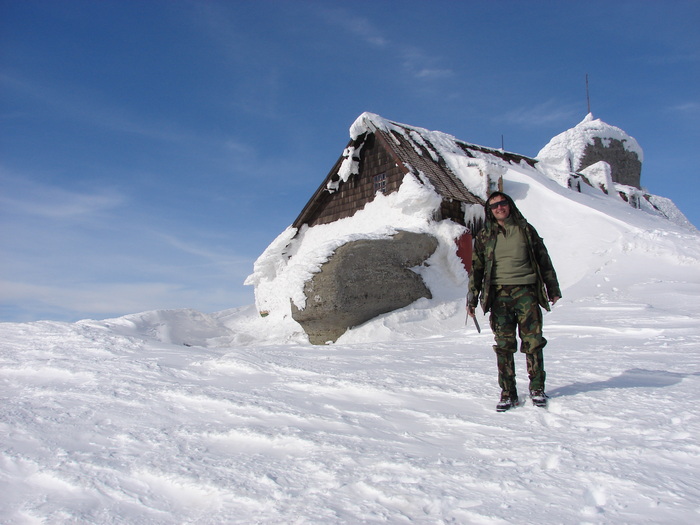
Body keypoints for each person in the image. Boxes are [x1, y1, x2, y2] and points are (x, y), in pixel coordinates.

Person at [467, 191, 561, 412]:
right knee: (504, 346)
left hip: (526, 292)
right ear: (489, 212)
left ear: (509, 205)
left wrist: (552, 287)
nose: (499, 208)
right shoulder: (484, 236)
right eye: (494, 206)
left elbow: (543, 258)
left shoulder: (526, 230)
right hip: (498, 295)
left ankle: (537, 388)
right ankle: (508, 393)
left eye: (502, 203)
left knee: (533, 342)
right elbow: (477, 269)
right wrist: (472, 299)